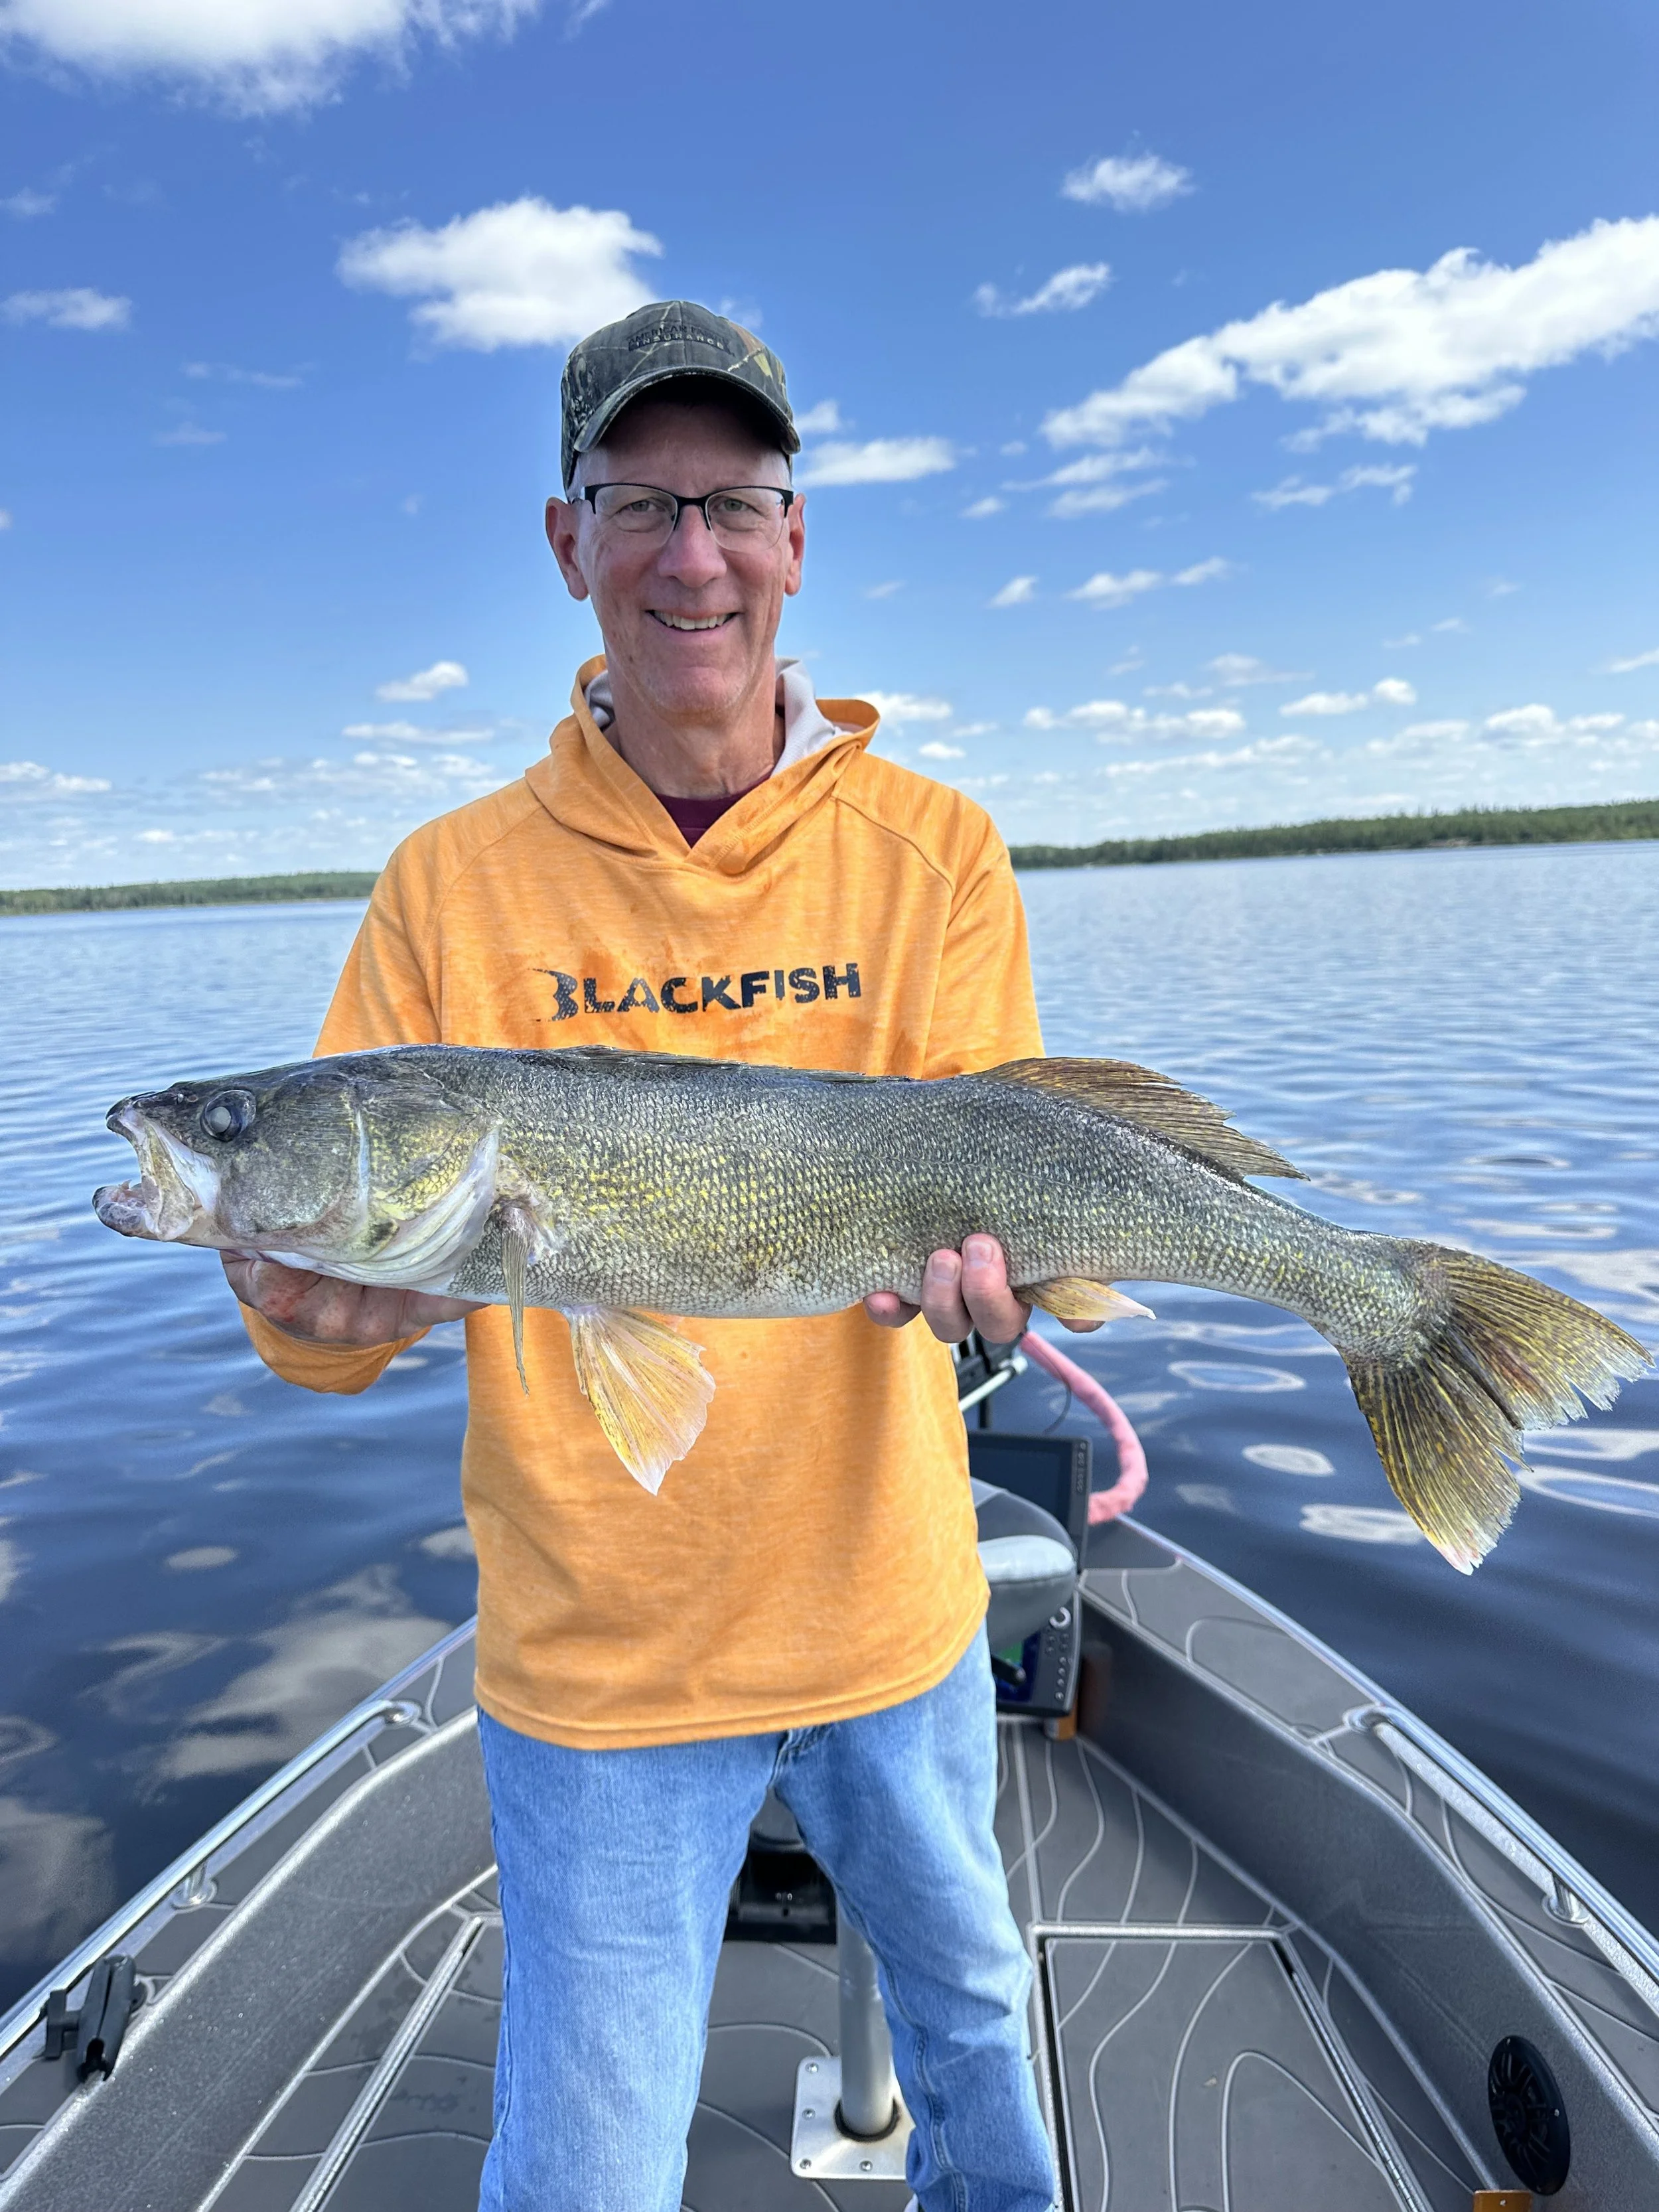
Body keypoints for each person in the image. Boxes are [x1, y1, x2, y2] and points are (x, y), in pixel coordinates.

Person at [227, 300, 1093, 2212]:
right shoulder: (446, 885)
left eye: (733, 505)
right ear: (566, 539)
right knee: (581, 2172)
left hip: (890, 1611)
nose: (689, 555)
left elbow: (1008, 1198)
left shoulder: (933, 846)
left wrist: (1020, 1286)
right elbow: (324, 1335)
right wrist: (289, 1287)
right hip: (601, 1668)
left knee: (983, 2062)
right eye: (639, 502)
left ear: (796, 537)